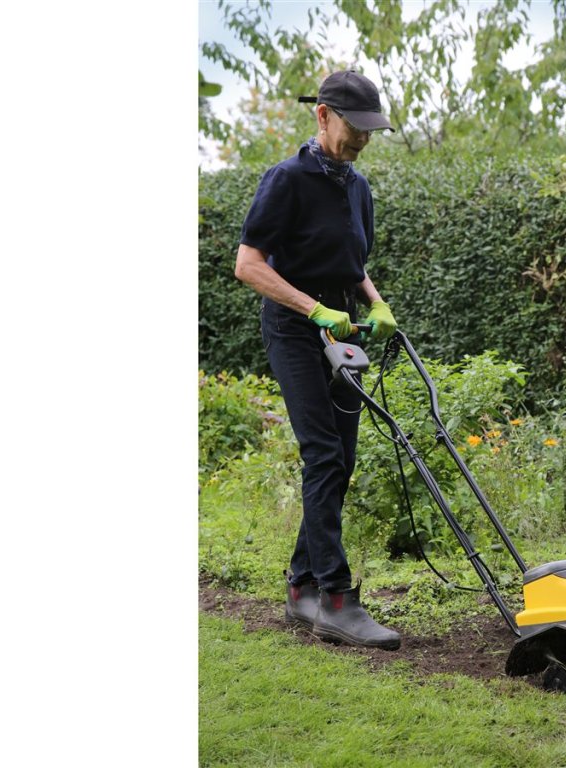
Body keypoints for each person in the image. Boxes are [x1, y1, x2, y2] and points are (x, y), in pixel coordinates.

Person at [233, 71, 400, 650]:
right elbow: (249, 264)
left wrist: (375, 303)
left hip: (342, 329)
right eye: (356, 128)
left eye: (372, 130)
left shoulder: (358, 187)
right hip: (294, 328)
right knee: (323, 453)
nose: (364, 140)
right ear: (323, 115)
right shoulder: (287, 179)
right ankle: (336, 600)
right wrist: (313, 309)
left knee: (341, 459)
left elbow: (351, 263)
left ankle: (301, 587)